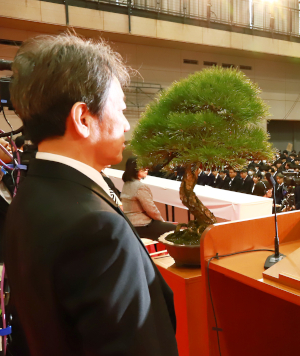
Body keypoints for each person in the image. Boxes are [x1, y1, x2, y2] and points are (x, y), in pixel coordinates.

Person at [3, 33, 177, 356]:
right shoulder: (99, 233)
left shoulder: (25, 196)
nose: (126, 125)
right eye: (121, 111)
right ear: (83, 119)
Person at [121, 157, 177, 240]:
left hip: (130, 223)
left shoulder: (127, 184)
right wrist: (161, 221)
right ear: (134, 169)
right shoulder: (140, 186)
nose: (146, 168)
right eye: (143, 166)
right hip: (141, 225)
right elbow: (151, 210)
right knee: (175, 229)